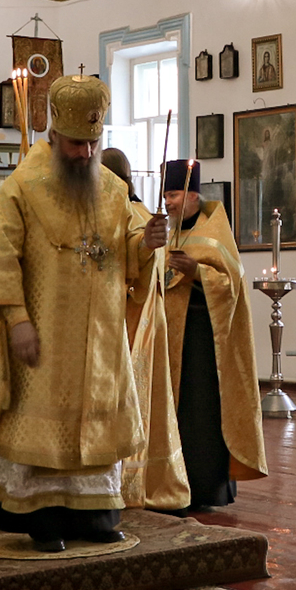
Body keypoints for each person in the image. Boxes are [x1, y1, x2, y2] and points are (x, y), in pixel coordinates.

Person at [0, 75, 168, 553]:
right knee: (45, 432)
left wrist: (147, 243)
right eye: (76, 143)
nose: (85, 153)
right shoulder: (21, 187)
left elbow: (127, 249)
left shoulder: (113, 189)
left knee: (97, 426)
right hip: (43, 335)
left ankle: (96, 517)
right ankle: (43, 519)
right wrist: (17, 320)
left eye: (93, 143)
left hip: (101, 339)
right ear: (54, 134)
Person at [161, 159, 268, 510]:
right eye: (166, 195)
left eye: (174, 195)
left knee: (202, 415)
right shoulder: (168, 232)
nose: (168, 202)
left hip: (204, 341)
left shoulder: (215, 230)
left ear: (193, 195)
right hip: (170, 338)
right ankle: (172, 485)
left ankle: (207, 488)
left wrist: (197, 271)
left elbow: (231, 284)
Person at [101, 148, 190, 514]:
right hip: (150, 324)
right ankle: (155, 482)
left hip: (127, 326)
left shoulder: (125, 216)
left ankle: (124, 484)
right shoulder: (141, 214)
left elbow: (129, 269)